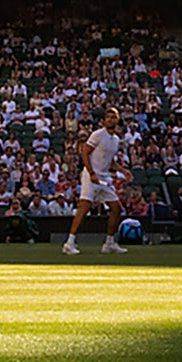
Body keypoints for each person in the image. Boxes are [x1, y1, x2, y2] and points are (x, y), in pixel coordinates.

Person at [64, 108, 131, 256]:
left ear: (118, 120)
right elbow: (85, 152)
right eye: (108, 117)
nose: (111, 119)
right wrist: (92, 173)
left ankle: (109, 243)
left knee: (117, 209)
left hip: (104, 178)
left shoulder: (116, 140)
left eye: (113, 117)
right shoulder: (98, 134)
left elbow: (110, 161)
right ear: (104, 120)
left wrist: (123, 171)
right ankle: (69, 243)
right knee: (84, 207)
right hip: (90, 176)